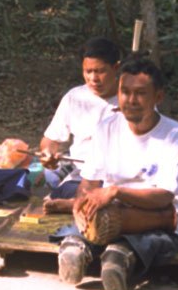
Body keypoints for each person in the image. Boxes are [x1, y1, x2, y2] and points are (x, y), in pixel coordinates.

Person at [56, 57, 178, 290]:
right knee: (79, 233)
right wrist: (82, 201)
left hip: (157, 217)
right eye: (125, 92)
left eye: (140, 93)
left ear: (158, 97)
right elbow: (90, 181)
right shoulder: (106, 127)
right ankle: (78, 250)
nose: (131, 101)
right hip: (110, 212)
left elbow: (165, 197)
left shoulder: (177, 135)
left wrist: (115, 191)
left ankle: (118, 259)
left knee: (142, 243)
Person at [40, 37, 121, 213]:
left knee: (115, 195)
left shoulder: (132, 99)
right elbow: (50, 139)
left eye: (100, 71)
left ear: (116, 68)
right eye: (88, 71)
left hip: (115, 174)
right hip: (80, 169)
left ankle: (77, 203)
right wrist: (48, 154)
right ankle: (80, 201)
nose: (93, 79)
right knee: (50, 175)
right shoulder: (74, 97)